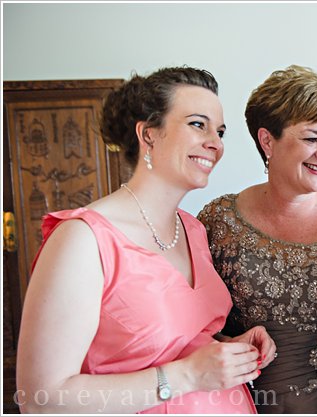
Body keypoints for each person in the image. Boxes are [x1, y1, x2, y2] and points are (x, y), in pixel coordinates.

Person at [15, 66, 276, 413]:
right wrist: (189, 377)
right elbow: (40, 400)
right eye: (198, 124)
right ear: (149, 134)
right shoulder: (83, 240)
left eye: (221, 131)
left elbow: (174, 343)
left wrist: (229, 350)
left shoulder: (193, 230)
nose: (215, 143)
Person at [197, 65, 317, 413]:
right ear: (267, 140)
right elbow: (196, 329)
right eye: (311, 138)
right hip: (262, 403)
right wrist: (232, 345)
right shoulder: (219, 223)